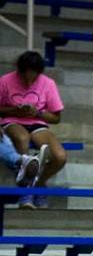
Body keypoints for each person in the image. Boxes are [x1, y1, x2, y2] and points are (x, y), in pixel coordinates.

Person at [0, 51, 66, 209]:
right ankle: (26, 190)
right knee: (22, 139)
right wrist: (14, 110)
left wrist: (38, 113)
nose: (29, 82)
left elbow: (56, 118)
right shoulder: (5, 81)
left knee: (60, 156)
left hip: (37, 122)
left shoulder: (48, 83)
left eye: (34, 77)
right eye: (25, 78)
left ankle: (40, 183)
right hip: (12, 121)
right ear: (19, 72)